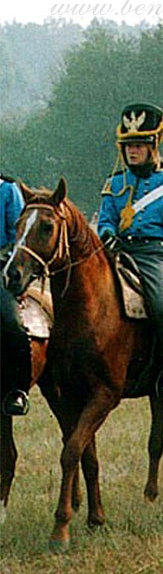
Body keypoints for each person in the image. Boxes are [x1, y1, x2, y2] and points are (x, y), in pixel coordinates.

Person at [97, 103, 163, 398]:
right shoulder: (115, 183)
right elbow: (105, 220)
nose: (132, 151)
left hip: (152, 256)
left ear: (152, 147)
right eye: (128, 146)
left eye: (139, 145)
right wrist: (107, 234)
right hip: (118, 251)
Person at [0, 173, 32, 415]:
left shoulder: (7, 190)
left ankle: (17, 390)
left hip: (0, 266)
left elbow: (19, 239)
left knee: (11, 322)